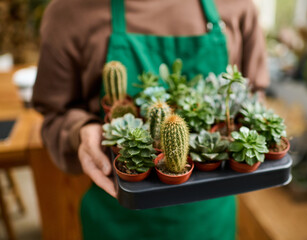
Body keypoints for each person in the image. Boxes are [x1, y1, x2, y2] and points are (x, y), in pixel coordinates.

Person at [33, 0, 269, 239]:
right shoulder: (69, 11)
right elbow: (54, 113)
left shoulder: (237, 5)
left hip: (209, 220)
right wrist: (80, 130)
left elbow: (253, 96)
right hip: (117, 219)